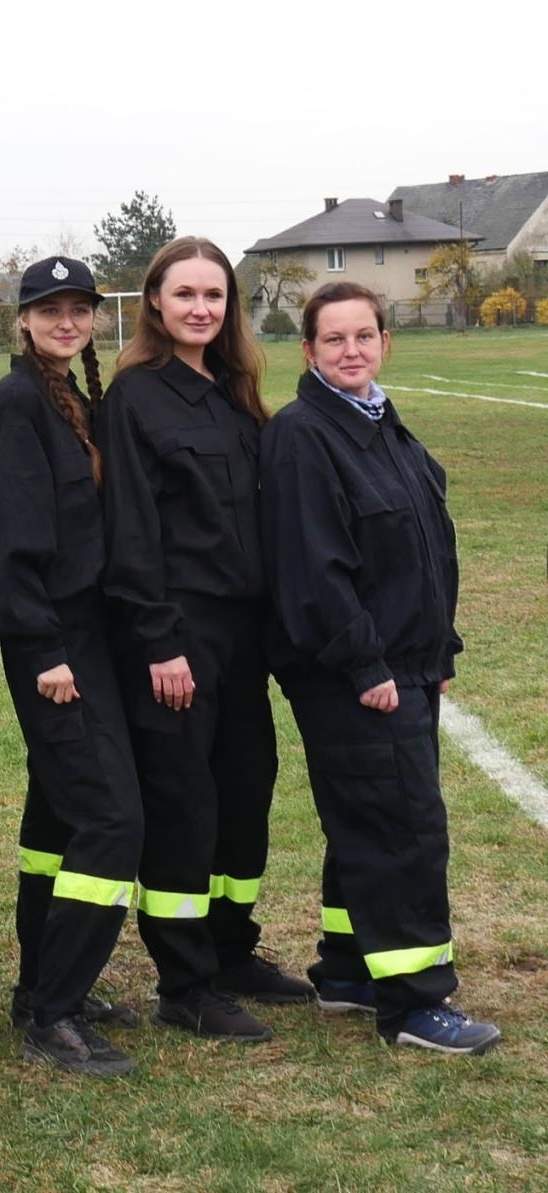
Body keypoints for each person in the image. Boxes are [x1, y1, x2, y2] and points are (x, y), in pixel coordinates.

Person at [260, 282, 500, 1055]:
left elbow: (426, 547)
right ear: (308, 352)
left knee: (366, 819)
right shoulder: (303, 434)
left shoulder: (382, 424)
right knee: (403, 827)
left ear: (385, 342)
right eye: (334, 340)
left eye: (364, 335)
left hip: (409, 666)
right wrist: (365, 665)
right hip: (357, 674)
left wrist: (439, 654)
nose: (351, 351)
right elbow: (314, 571)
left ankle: (349, 968)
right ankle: (416, 1001)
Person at [97, 236, 312, 1042]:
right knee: (184, 803)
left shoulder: (233, 390)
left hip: (242, 630)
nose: (199, 308)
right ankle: (183, 980)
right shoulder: (136, 397)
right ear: (154, 301)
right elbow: (134, 531)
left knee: (246, 787)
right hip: (176, 628)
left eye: (214, 295)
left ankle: (231, 948)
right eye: (184, 293)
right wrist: (159, 639)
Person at [0, 257, 143, 1076]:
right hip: (54, 643)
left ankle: (41, 981)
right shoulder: (15, 404)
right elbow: (8, 544)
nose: (68, 321)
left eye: (80, 308)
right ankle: (56, 1011)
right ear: (25, 319)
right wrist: (42, 652)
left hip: (91, 635)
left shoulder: (68, 394)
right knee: (112, 820)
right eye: (51, 309)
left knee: (58, 824)